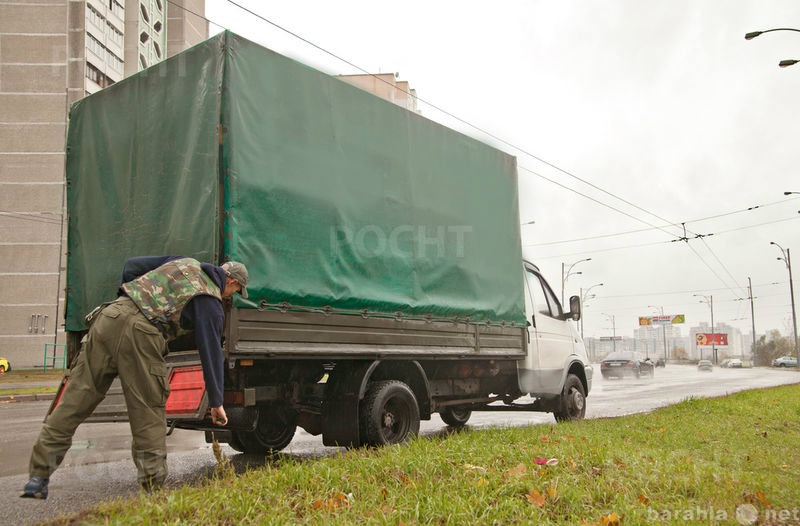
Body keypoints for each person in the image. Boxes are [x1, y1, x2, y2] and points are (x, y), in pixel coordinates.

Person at [21, 256, 249, 499]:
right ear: (231, 280)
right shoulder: (210, 301)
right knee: (147, 412)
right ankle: (153, 490)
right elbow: (211, 351)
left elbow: (130, 266)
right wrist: (216, 401)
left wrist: (134, 301)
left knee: (74, 402)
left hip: (111, 315)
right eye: (235, 291)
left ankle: (38, 477)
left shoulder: (186, 263)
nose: (230, 297)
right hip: (142, 334)